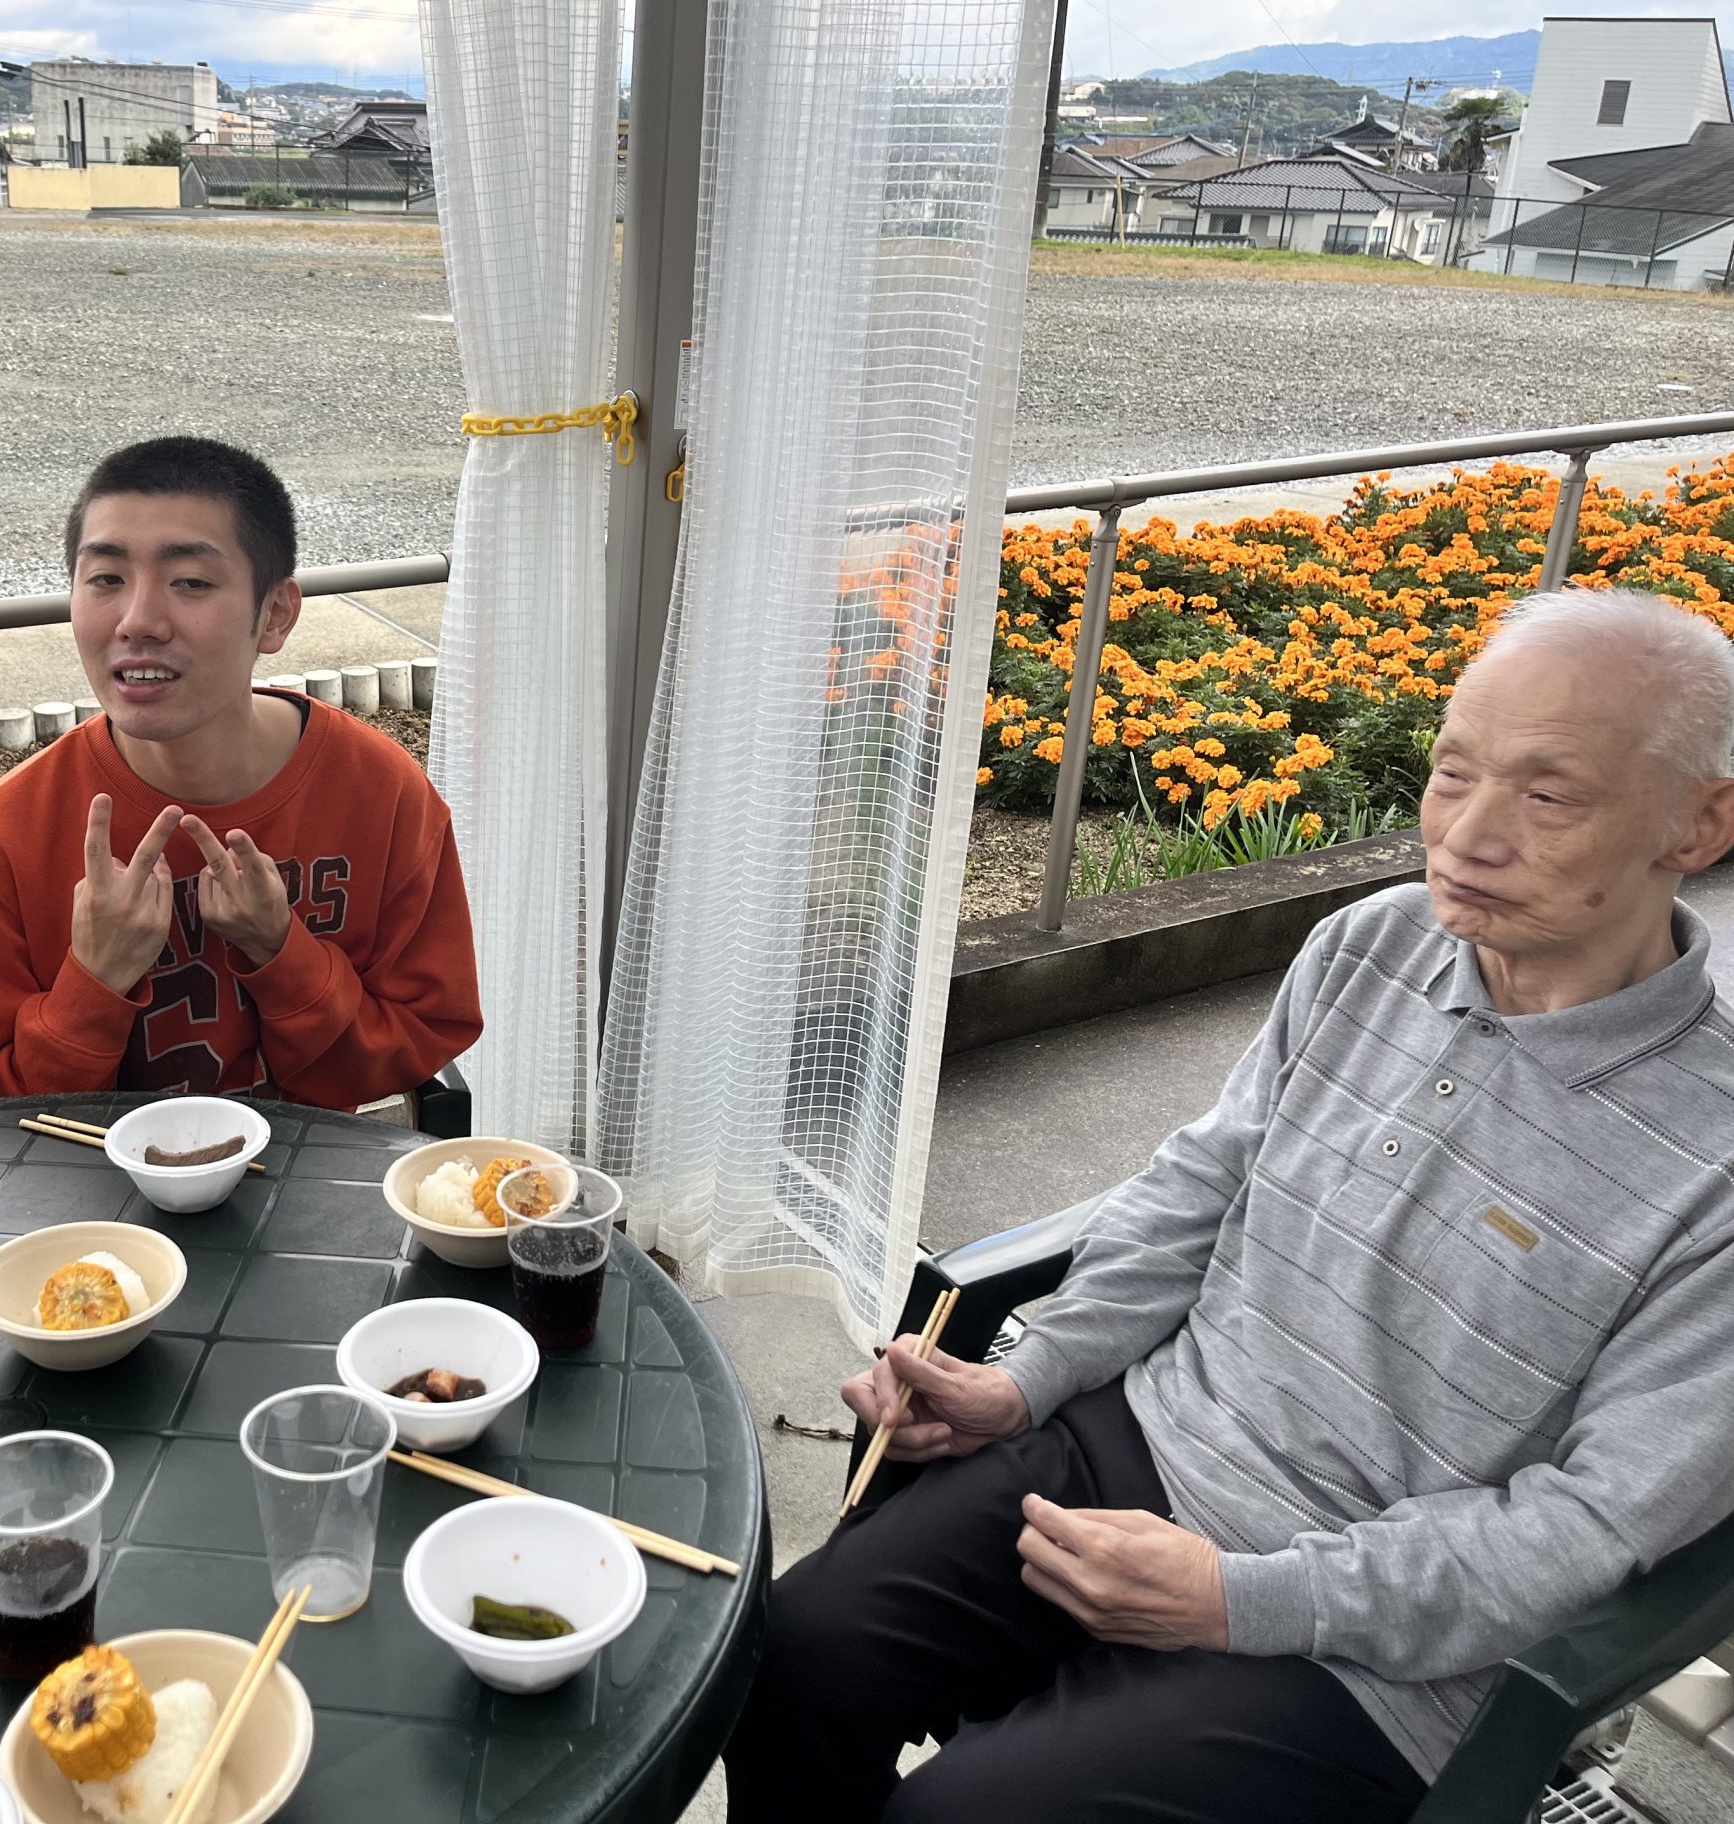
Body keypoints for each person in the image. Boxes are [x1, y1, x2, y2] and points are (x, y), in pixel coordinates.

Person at [725, 587, 1734, 1823]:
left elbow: (1586, 1531)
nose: (1466, 837)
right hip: (1152, 1441)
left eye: (1547, 796)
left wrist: (1238, 1597)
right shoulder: (1370, 945)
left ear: (1698, 825)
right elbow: (1200, 1185)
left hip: (1374, 1651)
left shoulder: (1714, 1163)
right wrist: (1027, 1379)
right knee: (793, 1651)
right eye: (1451, 773)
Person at [0, 436, 481, 1108]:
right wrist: (93, 982)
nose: (139, 622)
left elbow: (423, 1038)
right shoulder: (3, 839)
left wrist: (282, 952)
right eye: (106, 579)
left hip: (305, 1169)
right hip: (76, 1181)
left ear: (274, 614)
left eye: (190, 582)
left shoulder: (377, 793)